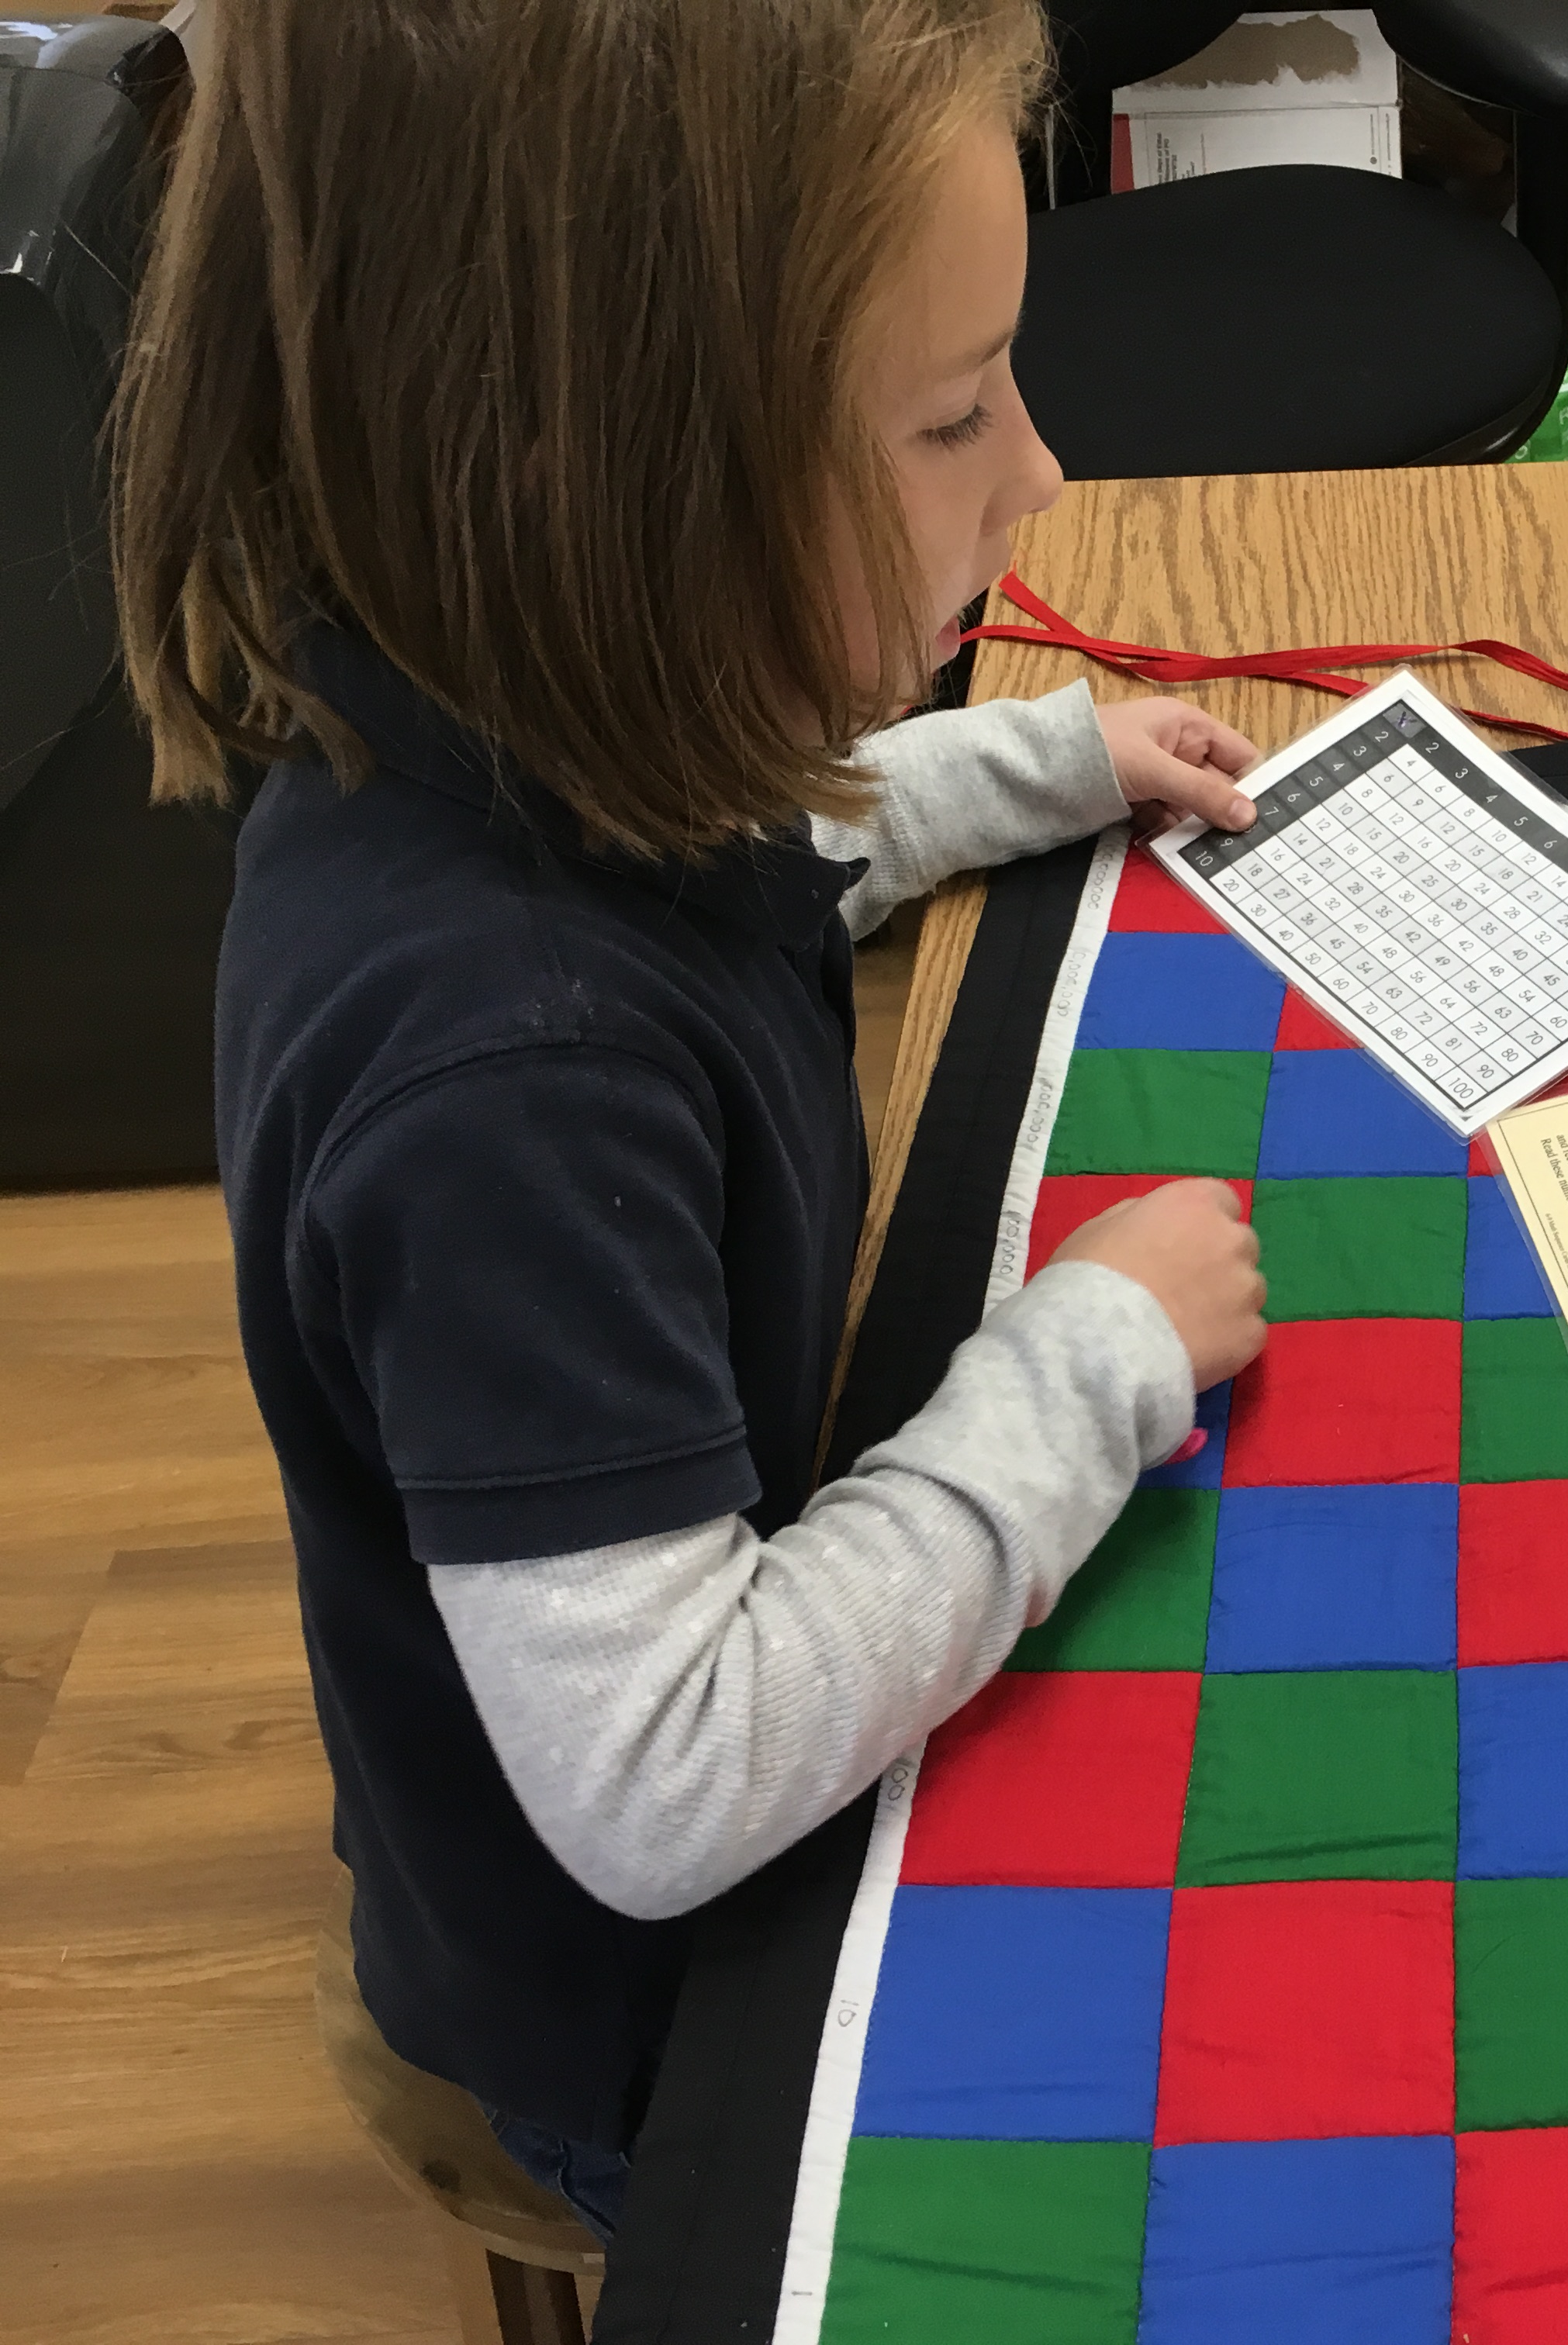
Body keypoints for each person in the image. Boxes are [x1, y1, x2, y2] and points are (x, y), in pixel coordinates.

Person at [112, 0, 1269, 2241]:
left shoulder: (510, 699)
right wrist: (1090, 1363)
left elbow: (764, 838)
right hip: (624, 2025)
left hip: (590, 1697)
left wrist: (1039, 758)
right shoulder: (505, 1075)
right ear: (616, 494)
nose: (1036, 476)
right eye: (952, 419)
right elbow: (671, 1770)